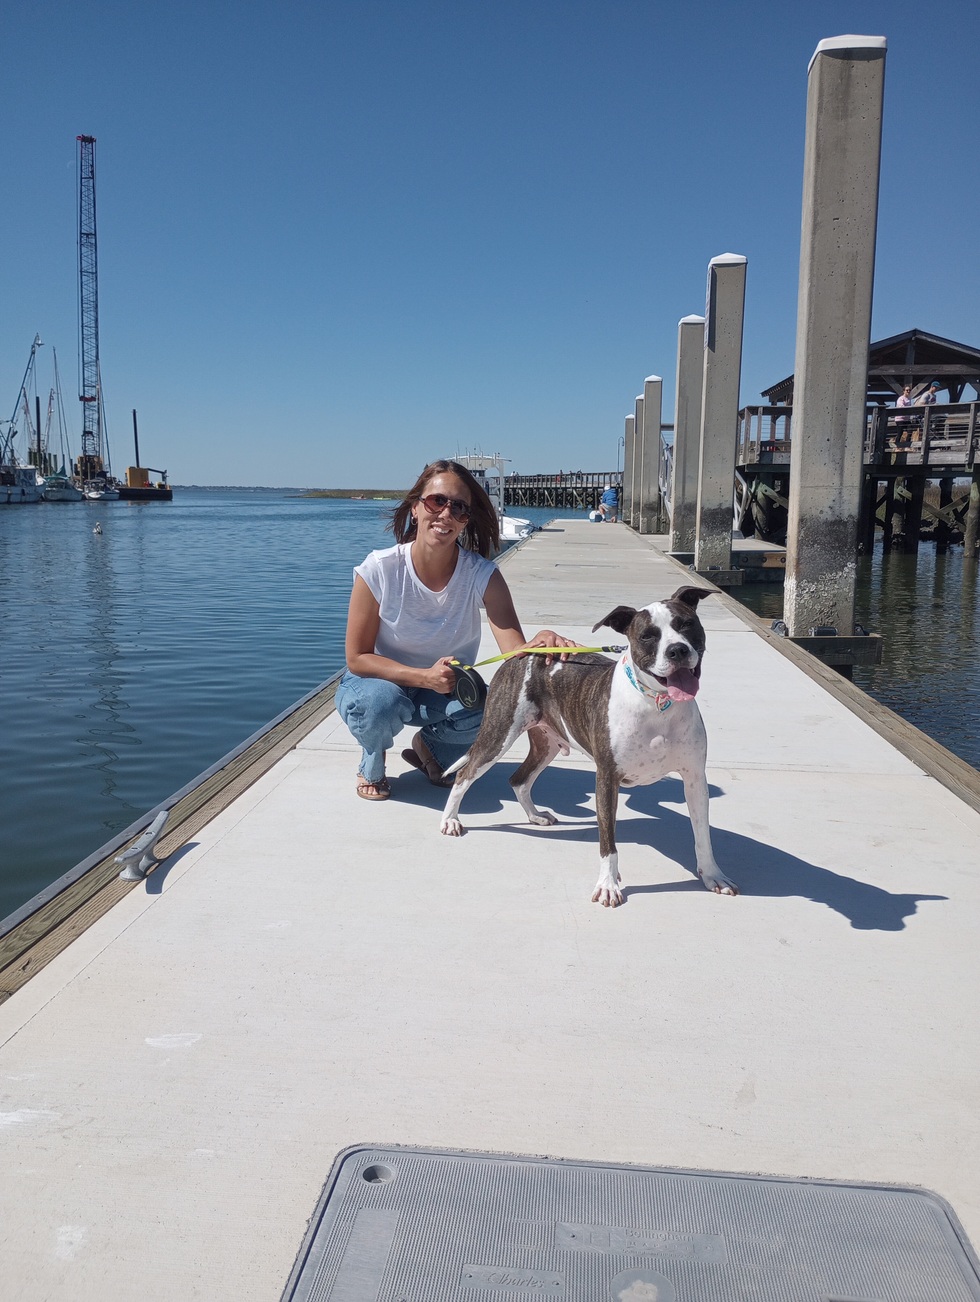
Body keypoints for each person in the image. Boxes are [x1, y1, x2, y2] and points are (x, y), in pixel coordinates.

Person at [337, 459, 574, 801]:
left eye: (459, 508)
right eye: (437, 501)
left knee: (493, 710)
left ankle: (431, 748)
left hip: (445, 689)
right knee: (378, 705)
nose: (446, 514)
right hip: (379, 682)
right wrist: (423, 677)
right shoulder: (378, 569)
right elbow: (357, 658)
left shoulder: (482, 575)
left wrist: (542, 642)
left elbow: (516, 653)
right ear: (416, 507)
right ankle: (372, 760)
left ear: (466, 520)